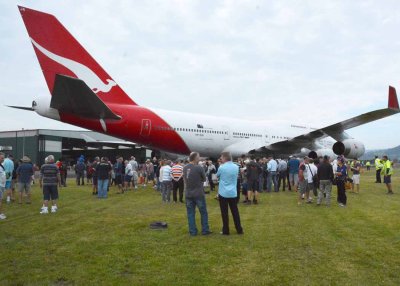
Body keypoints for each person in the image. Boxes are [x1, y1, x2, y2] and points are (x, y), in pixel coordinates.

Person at [183, 152, 211, 236]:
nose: (199, 159)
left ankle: (192, 231)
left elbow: (185, 179)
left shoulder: (185, 168)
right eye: (198, 157)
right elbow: (204, 179)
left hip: (188, 193)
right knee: (203, 212)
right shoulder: (199, 167)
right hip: (198, 193)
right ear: (195, 158)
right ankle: (205, 230)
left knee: (190, 213)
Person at [217, 152, 243, 235]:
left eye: (221, 158)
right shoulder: (236, 167)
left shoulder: (221, 167)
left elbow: (217, 176)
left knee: (224, 213)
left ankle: (226, 230)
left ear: (224, 158)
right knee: (235, 211)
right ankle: (239, 229)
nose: (221, 159)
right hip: (233, 192)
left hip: (223, 192)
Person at [0, 152, 7, 219]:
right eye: (2, 158)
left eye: (3, 158)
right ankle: (0, 214)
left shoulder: (1, 166)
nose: (3, 159)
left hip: (2, 185)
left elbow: (3, 176)